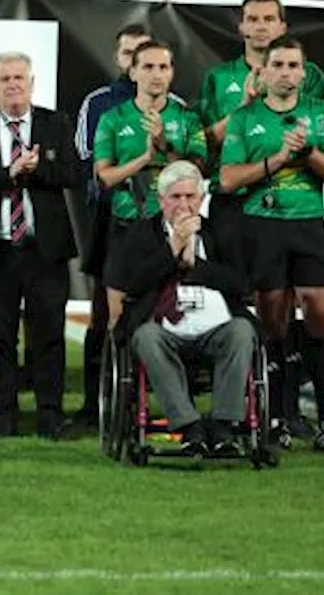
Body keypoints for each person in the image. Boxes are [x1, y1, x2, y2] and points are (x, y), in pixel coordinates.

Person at [198, 0, 324, 438]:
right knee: (247, 307)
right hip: (235, 207)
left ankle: (289, 408)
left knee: (295, 306)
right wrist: (246, 106)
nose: (259, 26)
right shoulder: (220, 78)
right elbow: (207, 143)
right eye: (252, 19)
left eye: (268, 19)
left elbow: (316, 120)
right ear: (240, 27)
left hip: (291, 206)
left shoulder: (309, 75)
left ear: (281, 27)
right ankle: (242, 407)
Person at [219, 36, 324, 454]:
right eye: (277, 64)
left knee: (321, 314)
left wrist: (308, 151)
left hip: (308, 225)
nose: (286, 73)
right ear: (262, 72)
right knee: (273, 321)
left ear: (303, 70)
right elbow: (226, 179)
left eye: (293, 65)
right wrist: (276, 160)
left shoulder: (319, 112)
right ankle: (277, 418)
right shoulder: (243, 118)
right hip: (262, 227)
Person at [0, 51, 82, 439]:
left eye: (19, 78)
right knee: (1, 338)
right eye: (5, 79)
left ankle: (49, 414)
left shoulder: (54, 123)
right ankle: (4, 415)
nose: (12, 85)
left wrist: (37, 168)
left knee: (49, 335)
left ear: (32, 83)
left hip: (44, 249)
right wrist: (8, 173)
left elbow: (73, 173)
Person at [108, 161, 259, 457]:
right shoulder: (140, 235)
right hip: (164, 328)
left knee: (243, 331)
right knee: (146, 337)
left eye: (190, 197)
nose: (183, 205)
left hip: (215, 325)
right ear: (161, 200)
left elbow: (241, 283)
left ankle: (223, 425)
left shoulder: (221, 232)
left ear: (201, 200)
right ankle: (189, 426)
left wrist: (195, 266)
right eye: (175, 197)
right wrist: (173, 248)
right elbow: (135, 284)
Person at [93, 41, 207, 338]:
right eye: (148, 67)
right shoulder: (113, 119)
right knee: (117, 315)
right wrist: (144, 158)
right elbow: (104, 177)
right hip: (127, 226)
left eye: (163, 67)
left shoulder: (188, 119)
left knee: (181, 308)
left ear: (171, 74)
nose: (156, 74)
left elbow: (197, 170)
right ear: (132, 73)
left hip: (176, 229)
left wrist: (163, 146)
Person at [72, 23, 153, 424]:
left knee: (158, 307)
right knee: (103, 309)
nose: (134, 61)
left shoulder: (173, 105)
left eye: (142, 52)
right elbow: (89, 159)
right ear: (119, 58)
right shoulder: (99, 102)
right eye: (127, 53)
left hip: (157, 221)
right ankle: (94, 403)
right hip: (108, 217)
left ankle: (141, 402)